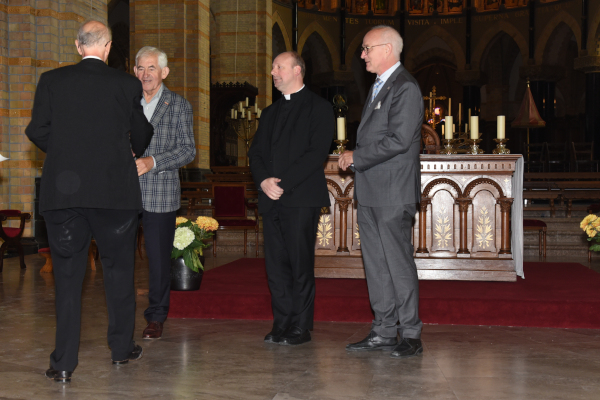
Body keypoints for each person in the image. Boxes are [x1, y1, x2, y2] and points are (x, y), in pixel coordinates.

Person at [26, 20, 154, 382]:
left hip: (64, 194)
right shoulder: (126, 83)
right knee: (118, 270)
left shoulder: (52, 80)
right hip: (115, 192)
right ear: (109, 47)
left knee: (67, 277)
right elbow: (142, 131)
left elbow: (36, 129)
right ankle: (120, 349)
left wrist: (69, 153)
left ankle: (64, 362)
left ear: (78, 46)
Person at [338, 25, 425, 358]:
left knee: (397, 263)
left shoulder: (405, 87)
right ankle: (385, 330)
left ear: (387, 48)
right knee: (375, 264)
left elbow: (400, 140)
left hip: (392, 190)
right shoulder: (380, 85)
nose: (363, 55)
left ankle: (411, 333)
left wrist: (356, 157)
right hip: (372, 189)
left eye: (366, 48)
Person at [248, 51, 334, 346]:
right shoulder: (270, 112)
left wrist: (280, 183)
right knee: (275, 266)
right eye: (273, 67)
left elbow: (316, 154)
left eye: (279, 67)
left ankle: (301, 325)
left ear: (297, 70)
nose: (273, 71)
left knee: (300, 265)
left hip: (300, 198)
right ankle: (282, 322)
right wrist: (263, 180)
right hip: (271, 198)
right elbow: (255, 153)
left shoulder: (320, 108)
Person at [133, 46, 196, 340]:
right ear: (135, 71)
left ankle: (156, 316)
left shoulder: (178, 105)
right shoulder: (125, 101)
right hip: (123, 191)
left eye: (152, 69)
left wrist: (153, 162)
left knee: (158, 260)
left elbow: (187, 150)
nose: (146, 74)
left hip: (160, 192)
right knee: (120, 257)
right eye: (141, 69)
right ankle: (120, 314)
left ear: (164, 72)